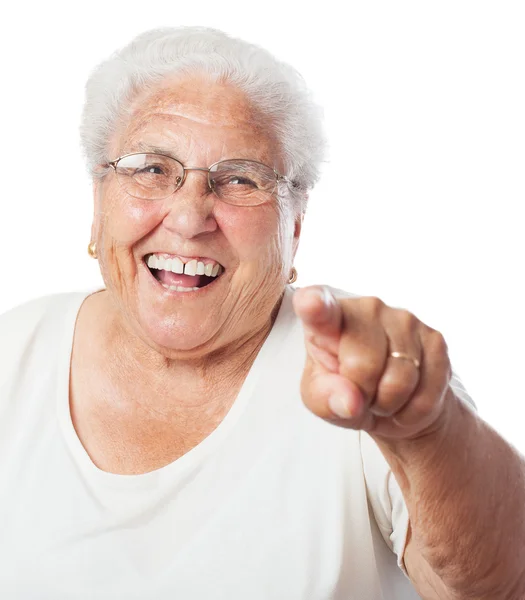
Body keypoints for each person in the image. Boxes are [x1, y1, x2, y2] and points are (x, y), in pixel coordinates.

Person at [0, 26, 523, 600]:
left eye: (240, 179)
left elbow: (500, 584)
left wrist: (430, 430)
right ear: (98, 206)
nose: (189, 214)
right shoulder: (14, 352)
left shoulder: (356, 362)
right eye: (150, 168)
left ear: (293, 228)